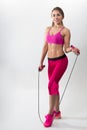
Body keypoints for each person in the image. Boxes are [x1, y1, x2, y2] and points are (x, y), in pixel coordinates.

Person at [38, 7, 80, 127]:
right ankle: (57, 112)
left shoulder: (65, 31)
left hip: (61, 62)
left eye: (58, 15)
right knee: (54, 85)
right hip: (50, 62)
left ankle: (50, 114)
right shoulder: (47, 29)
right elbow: (45, 47)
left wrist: (72, 49)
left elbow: (66, 49)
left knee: (51, 85)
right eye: (54, 15)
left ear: (62, 16)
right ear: (51, 17)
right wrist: (41, 62)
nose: (56, 17)